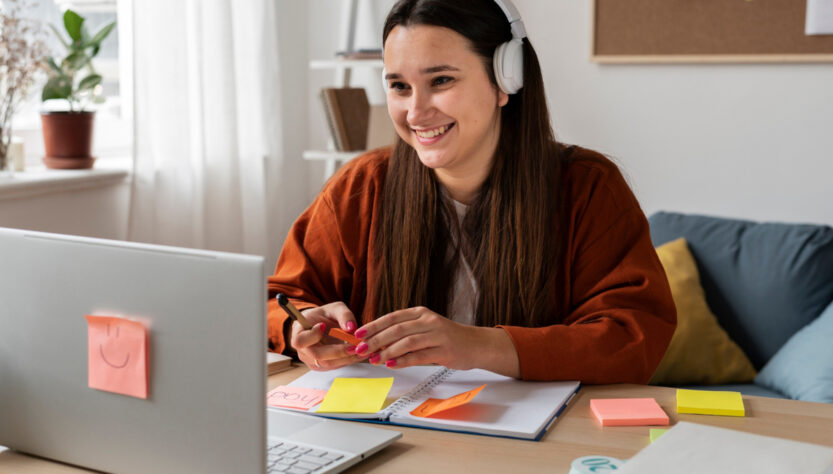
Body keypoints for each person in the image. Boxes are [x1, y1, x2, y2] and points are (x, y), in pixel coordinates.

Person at [267, 0, 676, 383]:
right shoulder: (361, 185)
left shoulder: (588, 187)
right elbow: (277, 298)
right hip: (393, 435)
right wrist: (299, 323)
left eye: (441, 80)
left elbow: (634, 335)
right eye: (400, 87)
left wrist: (482, 345)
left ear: (505, 80)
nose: (415, 112)